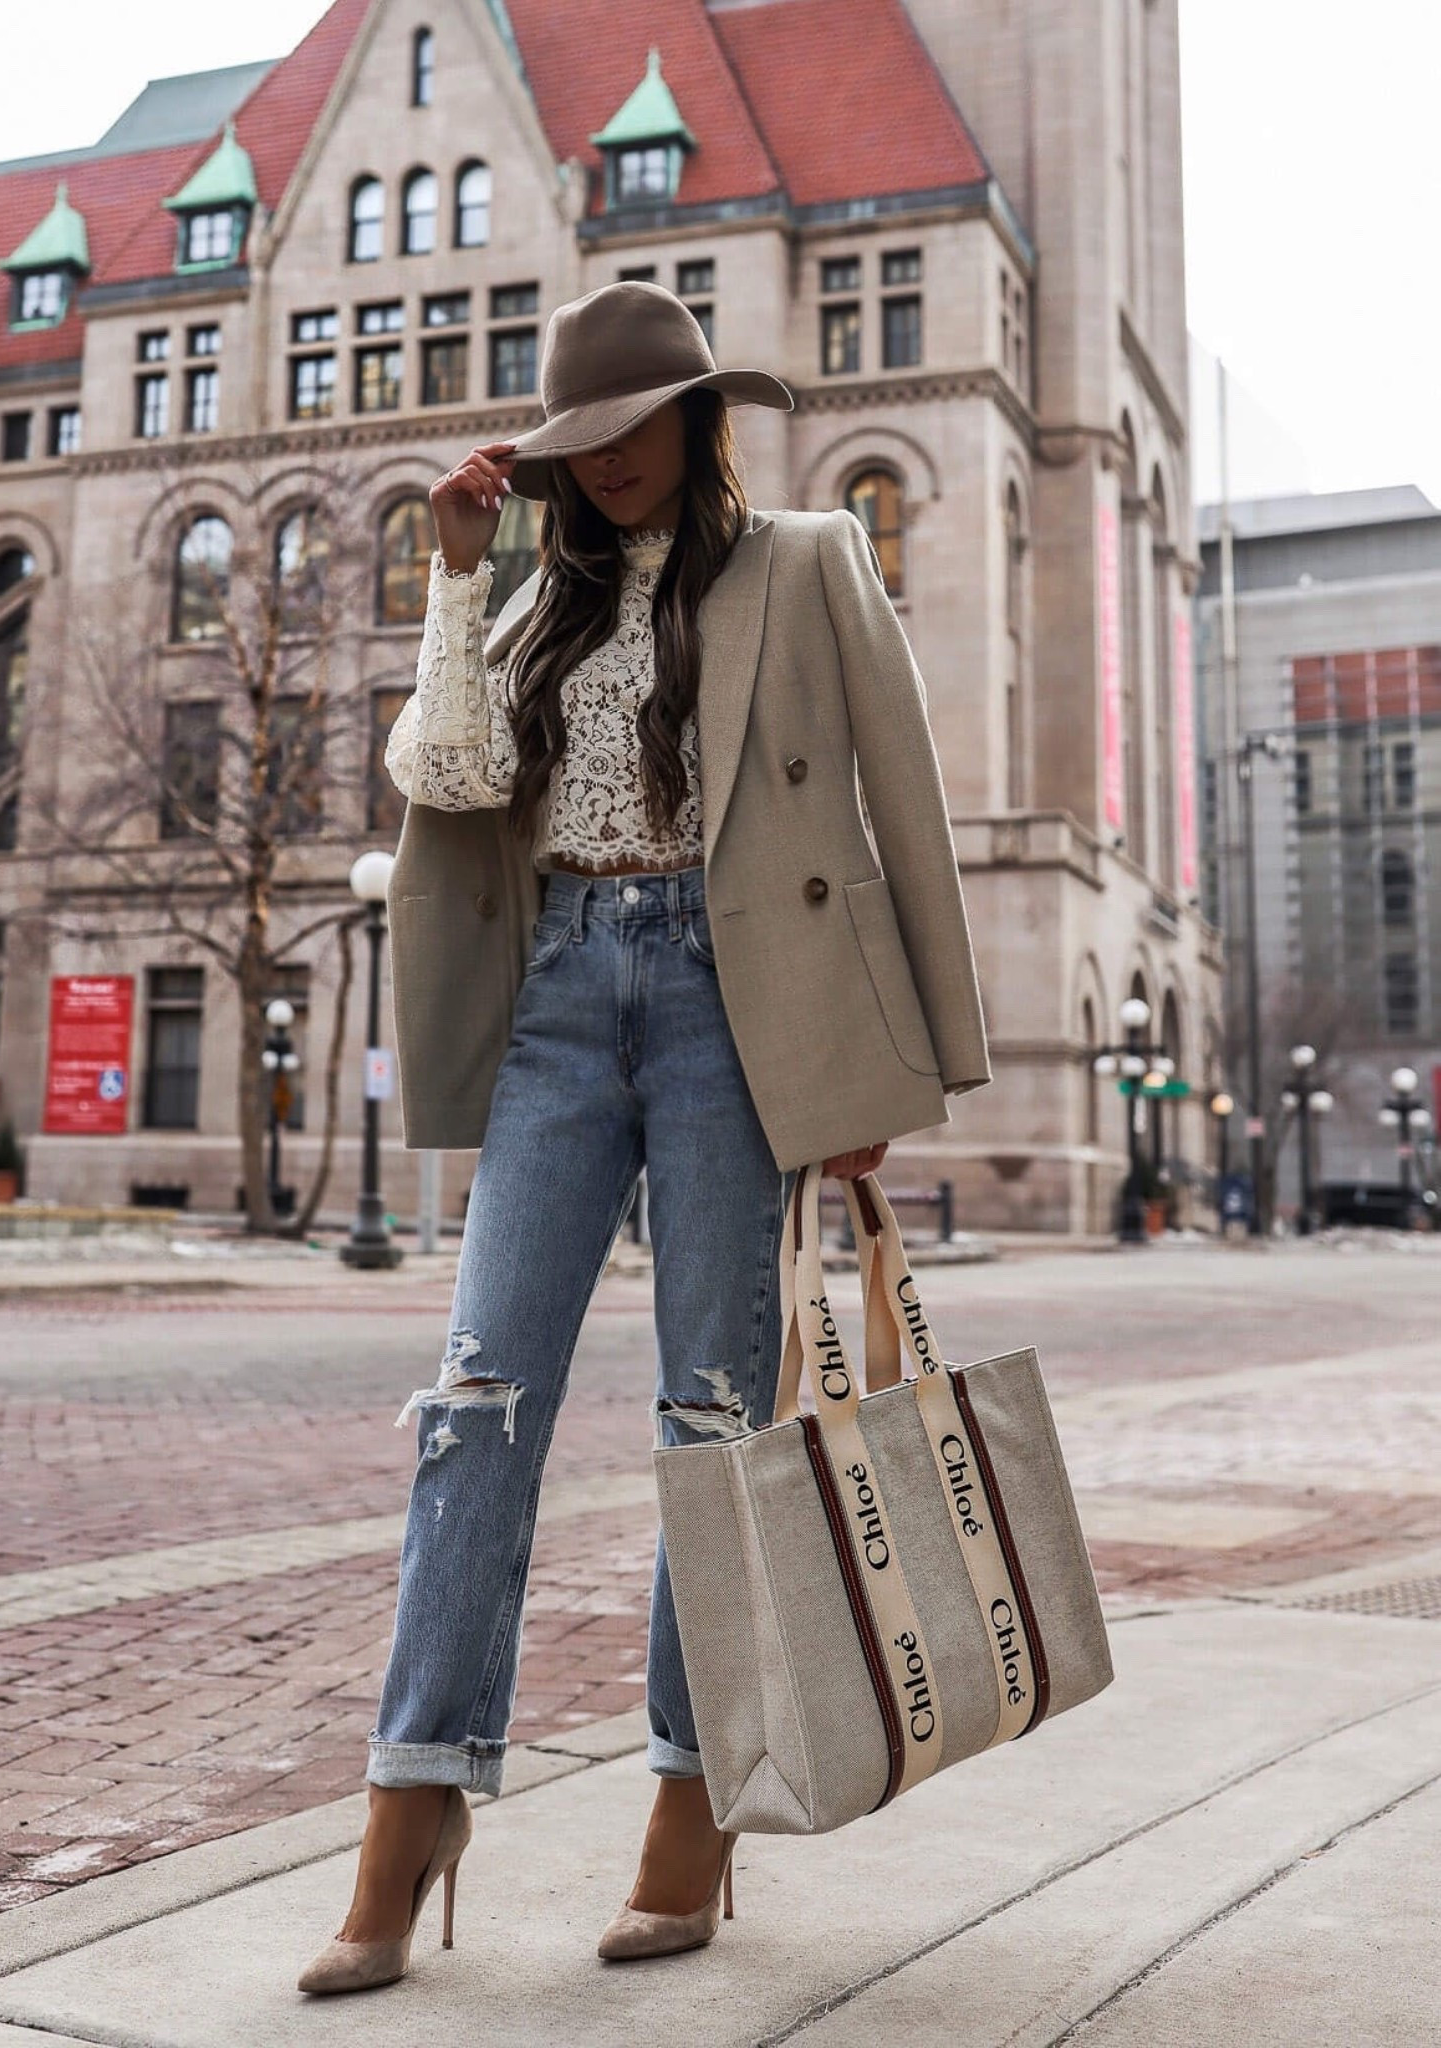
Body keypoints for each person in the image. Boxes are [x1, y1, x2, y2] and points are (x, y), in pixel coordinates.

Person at [298, 280, 989, 1994]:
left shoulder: (806, 562)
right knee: (474, 1408)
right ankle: (412, 1800)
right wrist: (458, 575)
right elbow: (450, 782)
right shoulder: (536, 600)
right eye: (575, 440)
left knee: (711, 1416)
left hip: (730, 1010)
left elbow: (900, 806)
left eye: (629, 429)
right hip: (555, 1000)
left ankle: (693, 1797)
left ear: (695, 419)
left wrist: (892, 1068)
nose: (603, 462)